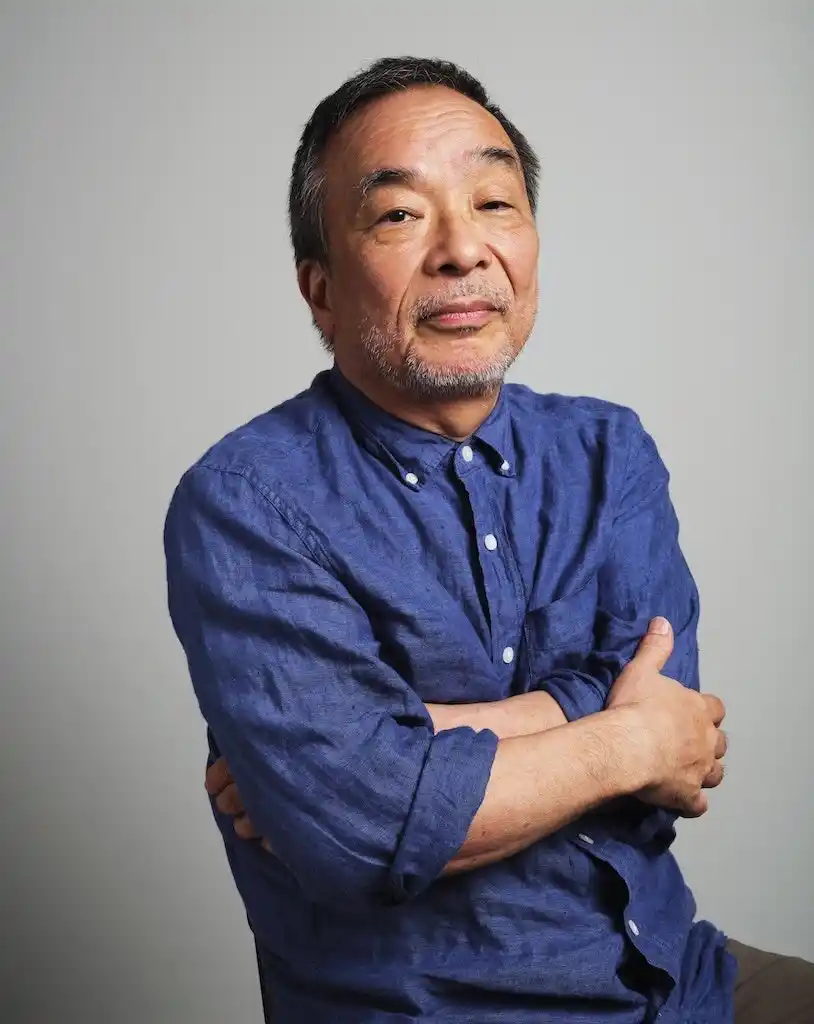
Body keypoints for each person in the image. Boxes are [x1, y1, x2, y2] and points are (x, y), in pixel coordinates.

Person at [163, 56, 814, 1023]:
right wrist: (626, 739)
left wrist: (405, 741)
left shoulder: (609, 451)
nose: (462, 249)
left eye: (495, 202)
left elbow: (674, 704)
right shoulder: (247, 502)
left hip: (676, 979)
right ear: (321, 290)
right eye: (399, 214)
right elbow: (367, 830)